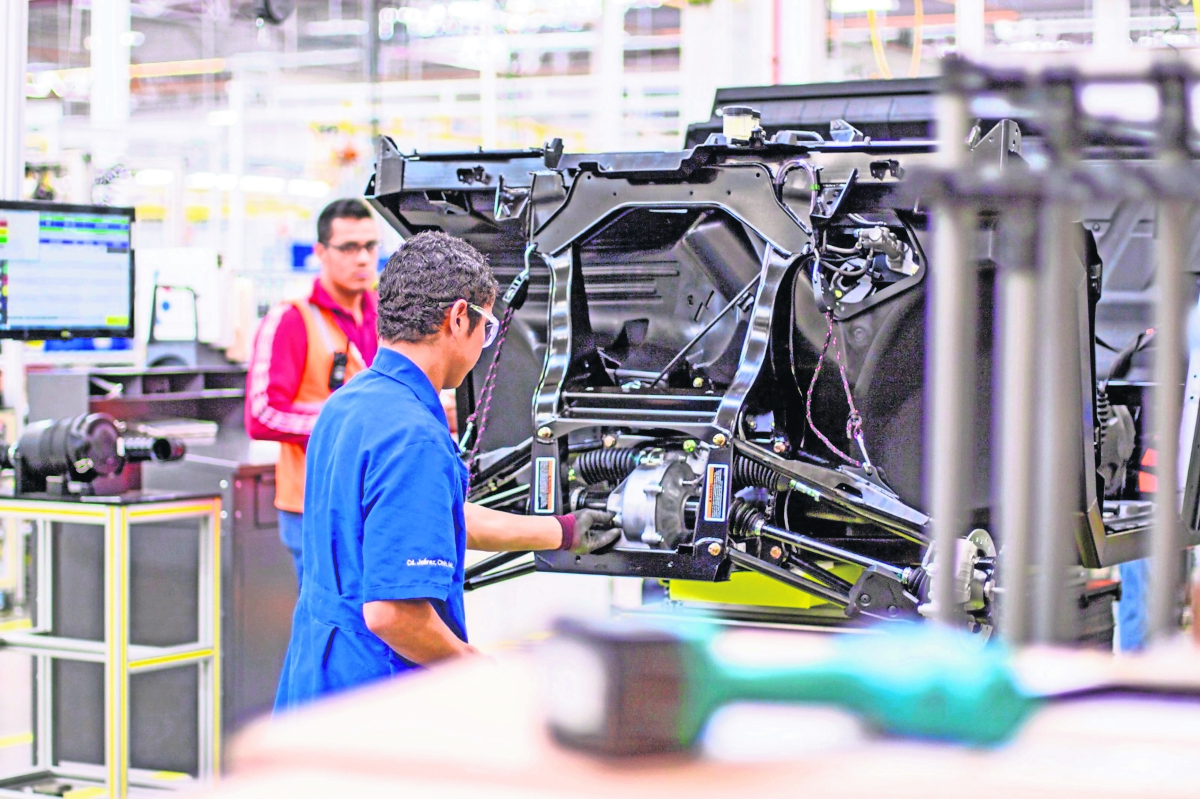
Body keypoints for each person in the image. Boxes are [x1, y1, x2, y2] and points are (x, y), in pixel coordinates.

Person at [274, 231, 617, 710]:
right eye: (487, 329)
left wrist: (562, 531)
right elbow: (394, 615)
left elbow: (436, 519)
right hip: (378, 696)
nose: (484, 344)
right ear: (459, 317)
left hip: (317, 677)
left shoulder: (348, 405)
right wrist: (483, 673)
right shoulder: (413, 436)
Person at [246, 199, 382, 592]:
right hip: (316, 506)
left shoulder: (386, 317)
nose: (362, 259)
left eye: (370, 247)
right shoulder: (291, 319)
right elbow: (262, 413)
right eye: (348, 247)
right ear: (320, 252)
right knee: (329, 632)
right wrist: (347, 421)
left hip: (374, 500)